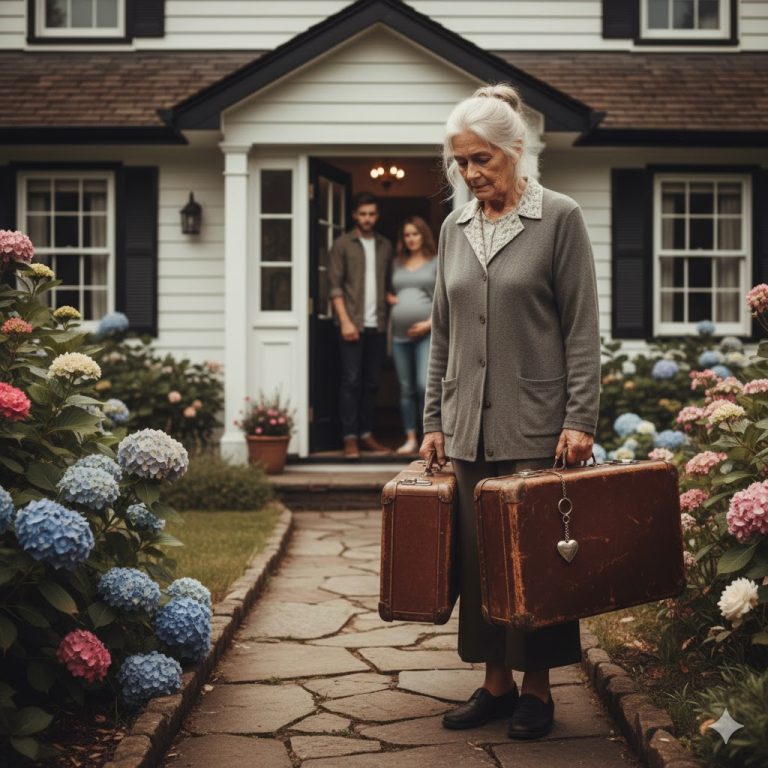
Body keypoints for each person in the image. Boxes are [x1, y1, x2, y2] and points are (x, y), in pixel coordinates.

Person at [420, 83, 600, 740]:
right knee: (478, 561)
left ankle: (539, 690)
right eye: (460, 162)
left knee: (537, 564)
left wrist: (581, 420)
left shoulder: (560, 218)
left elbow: (582, 330)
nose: (469, 175)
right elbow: (444, 333)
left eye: (481, 161)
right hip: (467, 428)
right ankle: (494, 684)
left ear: (513, 150)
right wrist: (435, 423)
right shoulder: (453, 227)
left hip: (538, 429)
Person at [328, 191, 394, 459]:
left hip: (377, 324)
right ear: (355, 215)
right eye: (363, 214)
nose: (367, 219)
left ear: (376, 216)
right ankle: (350, 438)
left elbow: (390, 283)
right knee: (351, 382)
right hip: (351, 324)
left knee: (372, 383)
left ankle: (366, 434)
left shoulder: (385, 246)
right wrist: (345, 321)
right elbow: (334, 287)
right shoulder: (342, 244)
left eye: (372, 214)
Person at [387, 216, 438, 455]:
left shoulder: (435, 262)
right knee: (405, 388)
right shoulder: (397, 263)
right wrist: (390, 298)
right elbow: (393, 290)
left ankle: (429, 435)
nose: (411, 239)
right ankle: (410, 437)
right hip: (399, 335)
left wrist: (429, 324)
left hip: (425, 334)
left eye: (415, 234)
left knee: (423, 385)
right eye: (407, 235)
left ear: (423, 235)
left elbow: (442, 297)